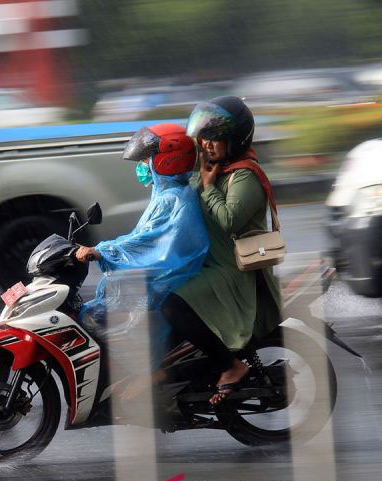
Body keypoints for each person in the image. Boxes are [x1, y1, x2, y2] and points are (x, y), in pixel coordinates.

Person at [163, 96, 283, 404]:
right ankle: (164, 374)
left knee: (172, 306)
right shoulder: (212, 170)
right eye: (204, 138)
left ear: (236, 139)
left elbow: (230, 220)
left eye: (216, 138)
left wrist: (209, 187)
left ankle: (231, 367)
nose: (208, 144)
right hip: (208, 265)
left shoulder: (244, 175)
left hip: (233, 272)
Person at [75, 123, 210, 396]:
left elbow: (150, 247)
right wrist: (103, 247)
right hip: (160, 279)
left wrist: (103, 251)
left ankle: (150, 371)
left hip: (163, 281)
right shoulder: (166, 194)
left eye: (147, 159)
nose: (142, 165)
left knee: (94, 316)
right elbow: (139, 238)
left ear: (166, 159)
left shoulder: (172, 199)